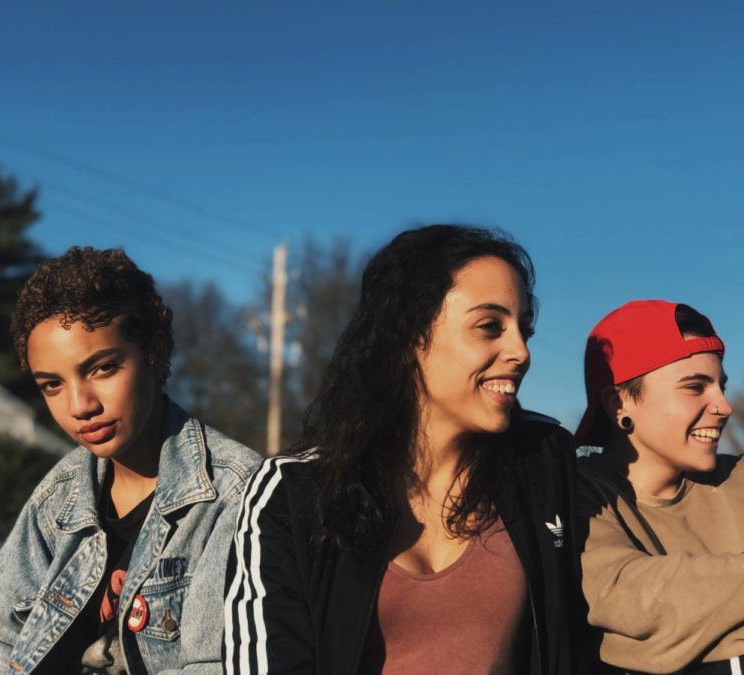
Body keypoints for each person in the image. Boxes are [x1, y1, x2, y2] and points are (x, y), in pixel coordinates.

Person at [224, 225, 586, 674]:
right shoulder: (293, 493)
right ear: (410, 337)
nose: (520, 351)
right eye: (489, 327)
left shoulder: (544, 461)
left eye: (523, 330)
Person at [0, 247, 262, 674]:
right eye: (52, 384)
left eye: (102, 368)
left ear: (154, 352)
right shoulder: (59, 497)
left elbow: (215, 665)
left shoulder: (234, 496)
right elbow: (2, 649)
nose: (79, 405)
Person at [574, 299, 744, 674]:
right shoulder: (580, 497)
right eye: (695, 387)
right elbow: (628, 607)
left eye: (720, 386)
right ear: (619, 402)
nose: (724, 406)